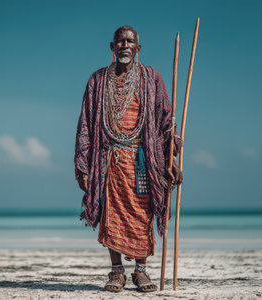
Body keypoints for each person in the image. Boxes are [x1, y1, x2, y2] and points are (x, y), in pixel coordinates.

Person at [74, 25, 182, 293]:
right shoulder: (97, 80)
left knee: (142, 213)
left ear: (138, 48)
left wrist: (170, 158)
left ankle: (141, 272)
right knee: (112, 214)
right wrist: (83, 167)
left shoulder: (151, 78)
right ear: (112, 48)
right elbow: (86, 124)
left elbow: (165, 121)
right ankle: (117, 271)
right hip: (108, 159)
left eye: (130, 41)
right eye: (119, 41)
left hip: (143, 159)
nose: (124, 45)